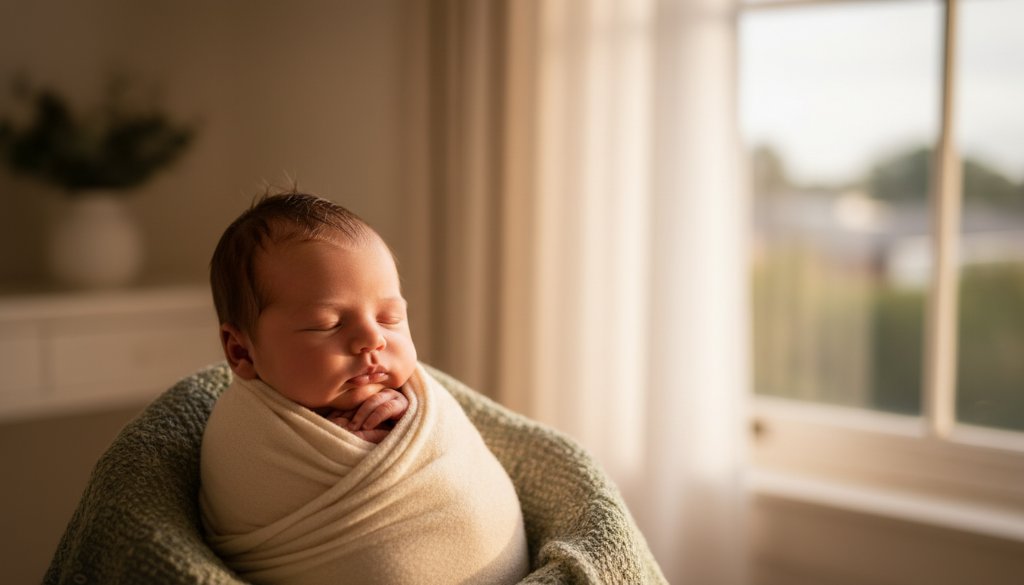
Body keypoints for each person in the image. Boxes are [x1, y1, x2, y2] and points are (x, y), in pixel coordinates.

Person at [199, 191, 529, 585]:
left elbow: (450, 457)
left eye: (390, 318)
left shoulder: (415, 396)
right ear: (242, 352)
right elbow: (246, 494)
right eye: (328, 324)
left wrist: (400, 429)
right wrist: (357, 452)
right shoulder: (243, 429)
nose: (372, 340)